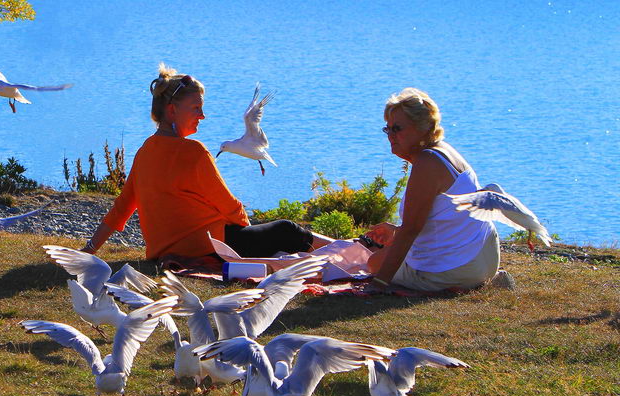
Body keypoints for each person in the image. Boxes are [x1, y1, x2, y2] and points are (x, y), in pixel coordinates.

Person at [82, 65, 326, 264]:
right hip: (209, 246)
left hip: (163, 251)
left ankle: (354, 247)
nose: (202, 115)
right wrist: (245, 234)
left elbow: (122, 207)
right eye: (196, 108)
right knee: (287, 230)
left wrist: (89, 249)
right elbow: (230, 206)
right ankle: (354, 248)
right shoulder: (194, 151)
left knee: (270, 235)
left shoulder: (145, 151)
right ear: (171, 111)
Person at [365, 88, 500, 291]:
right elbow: (445, 216)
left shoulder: (427, 163)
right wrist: (396, 232)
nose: (391, 136)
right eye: (388, 129)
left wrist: (379, 283)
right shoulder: (444, 151)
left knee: (374, 262)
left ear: (423, 128)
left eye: (398, 129)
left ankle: (449, 280)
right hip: (486, 258)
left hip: (459, 270)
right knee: (385, 252)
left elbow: (412, 229)